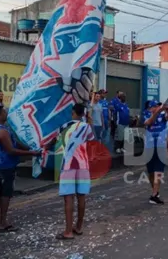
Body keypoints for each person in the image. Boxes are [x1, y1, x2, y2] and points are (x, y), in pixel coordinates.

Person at [0, 106, 38, 232]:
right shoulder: (2, 131)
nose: (6, 113)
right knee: (5, 194)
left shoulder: (0, 129)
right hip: (6, 165)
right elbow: (11, 150)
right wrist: (31, 153)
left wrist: (29, 148)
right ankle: (2, 221)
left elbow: (15, 142)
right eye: (4, 112)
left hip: (1, 164)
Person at [52, 103, 96, 240]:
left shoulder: (65, 127)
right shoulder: (87, 127)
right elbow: (92, 142)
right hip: (83, 165)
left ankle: (68, 231)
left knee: (68, 198)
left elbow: (55, 142)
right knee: (81, 196)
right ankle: (78, 227)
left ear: (73, 112)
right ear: (84, 113)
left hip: (68, 165)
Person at [143, 100, 168, 205]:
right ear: (150, 108)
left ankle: (154, 195)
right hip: (149, 148)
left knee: (158, 171)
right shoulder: (146, 115)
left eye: (158, 106)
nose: (157, 107)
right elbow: (149, 122)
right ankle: (155, 190)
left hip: (161, 147)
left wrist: (167, 109)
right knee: (151, 172)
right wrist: (158, 111)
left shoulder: (162, 116)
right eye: (155, 106)